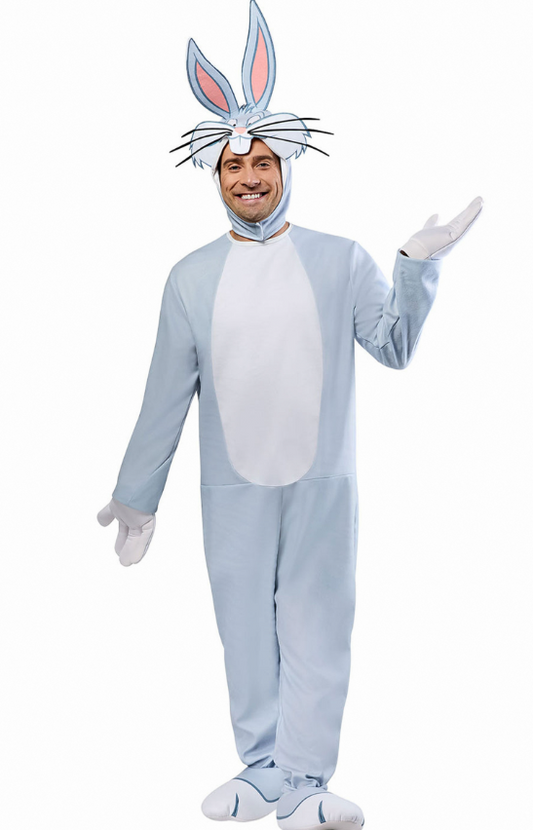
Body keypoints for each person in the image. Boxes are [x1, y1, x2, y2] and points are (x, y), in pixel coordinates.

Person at [97, 3, 483, 828]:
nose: (249, 178)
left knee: (316, 621)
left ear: (286, 167)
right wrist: (136, 497)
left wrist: (414, 267)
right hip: (231, 488)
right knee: (243, 625)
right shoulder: (190, 277)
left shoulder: (338, 259)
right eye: (234, 167)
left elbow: (392, 345)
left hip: (320, 486)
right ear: (215, 178)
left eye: (263, 163)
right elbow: (165, 392)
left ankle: (307, 780)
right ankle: (262, 768)